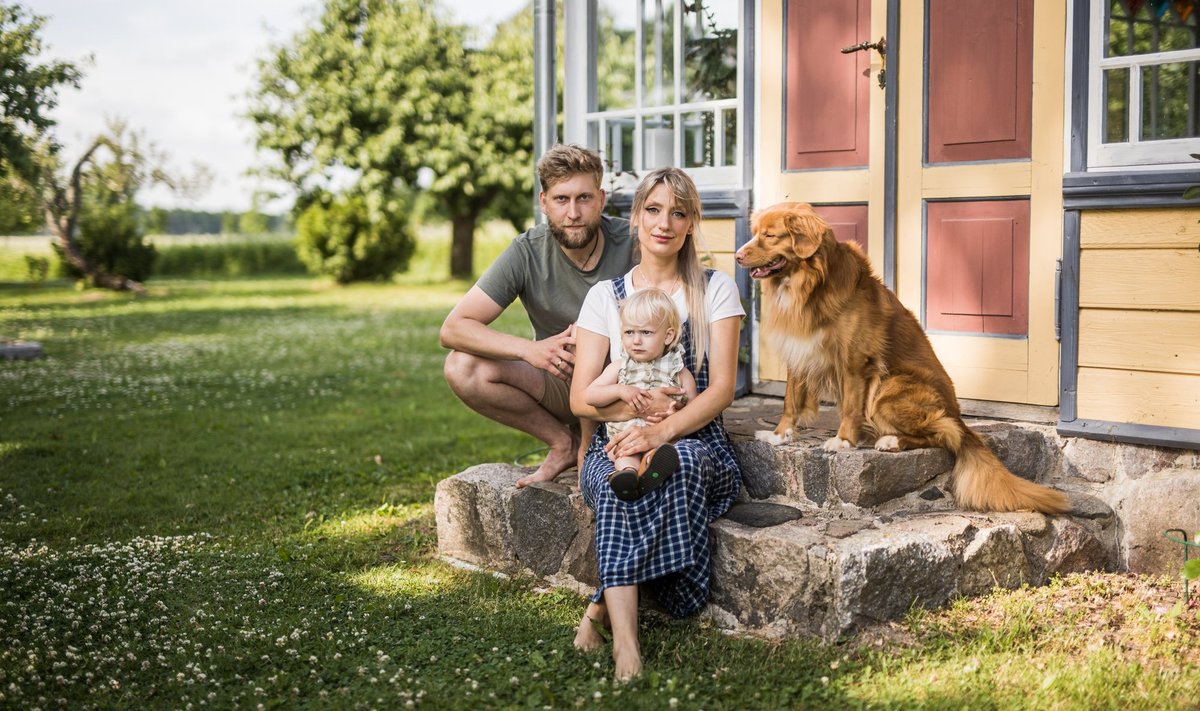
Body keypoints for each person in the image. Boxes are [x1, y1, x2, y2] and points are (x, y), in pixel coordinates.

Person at [569, 167, 744, 680]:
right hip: (616, 443)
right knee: (623, 484)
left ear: (692, 223)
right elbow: (583, 399)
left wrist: (662, 430)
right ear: (635, 216)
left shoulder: (715, 289)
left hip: (693, 437)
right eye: (653, 209)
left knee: (677, 465)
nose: (664, 222)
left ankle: (598, 609)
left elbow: (721, 390)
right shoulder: (606, 297)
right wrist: (636, 415)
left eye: (679, 212)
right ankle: (627, 647)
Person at [440, 144, 635, 487]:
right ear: (544, 202)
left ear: (601, 199)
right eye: (561, 199)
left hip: (627, 383)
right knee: (462, 367)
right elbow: (454, 328)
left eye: (584, 198)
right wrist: (530, 350)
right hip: (562, 380)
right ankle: (562, 442)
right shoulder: (527, 251)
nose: (573, 212)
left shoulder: (633, 242)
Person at [584, 287, 697, 501]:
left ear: (668, 335)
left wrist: (677, 410)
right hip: (625, 438)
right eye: (629, 332)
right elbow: (590, 395)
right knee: (626, 455)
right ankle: (627, 478)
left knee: (666, 451)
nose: (636, 340)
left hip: (664, 436)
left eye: (646, 332)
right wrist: (619, 389)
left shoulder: (678, 370)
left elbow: (693, 406)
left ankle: (651, 470)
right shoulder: (620, 367)